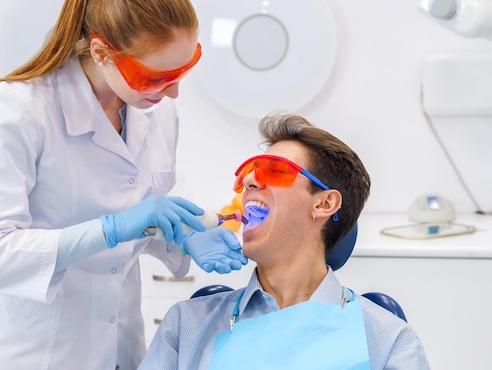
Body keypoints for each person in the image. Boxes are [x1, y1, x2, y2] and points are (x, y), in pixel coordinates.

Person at [0, 0, 247, 370]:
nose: (174, 93)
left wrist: (180, 237)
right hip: (27, 353)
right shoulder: (15, 111)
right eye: (156, 77)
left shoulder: (157, 113)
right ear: (101, 51)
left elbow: (136, 220)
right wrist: (110, 229)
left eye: (183, 69)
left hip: (117, 346)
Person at [139, 113, 431, 370]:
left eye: (275, 171)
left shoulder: (389, 340)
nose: (250, 181)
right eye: (247, 175)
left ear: (324, 203)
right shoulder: (187, 326)